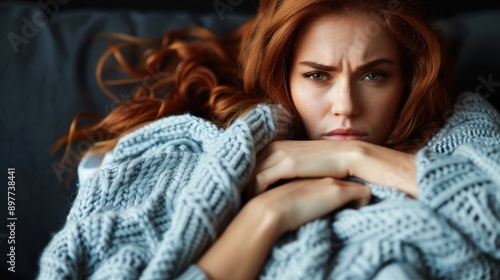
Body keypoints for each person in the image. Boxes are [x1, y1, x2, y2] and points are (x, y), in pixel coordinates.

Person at [38, 0, 500, 279]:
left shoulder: (459, 131)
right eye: (318, 76)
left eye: (374, 75)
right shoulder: (186, 154)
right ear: (283, 77)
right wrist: (265, 216)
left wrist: (353, 153)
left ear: (407, 79)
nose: (346, 105)